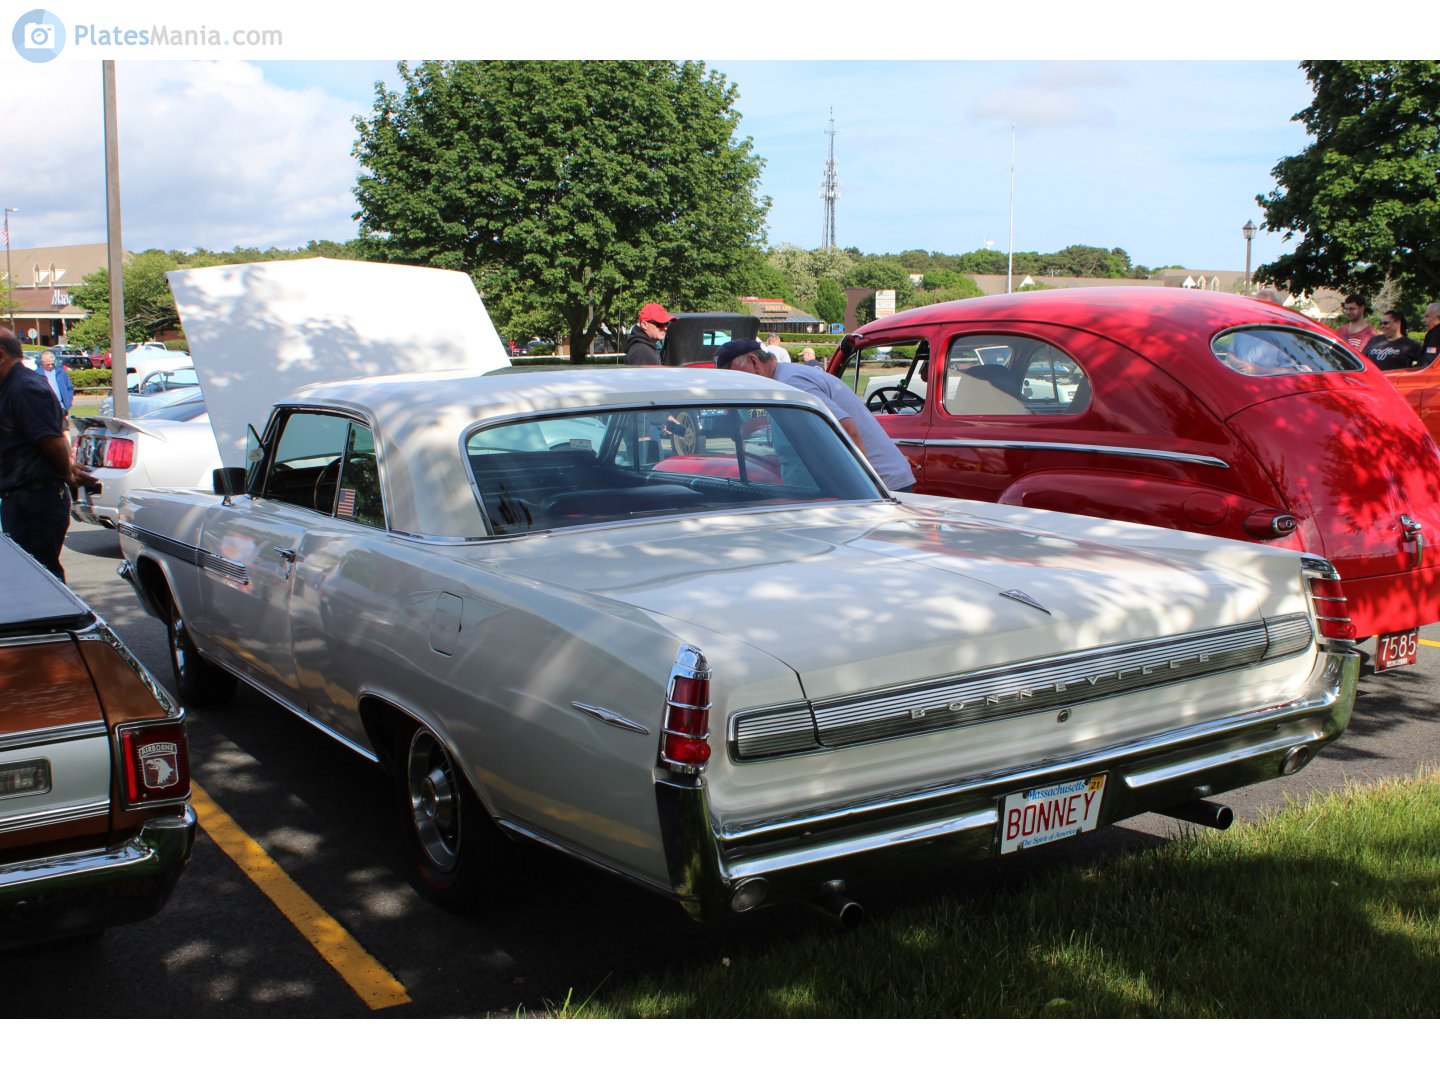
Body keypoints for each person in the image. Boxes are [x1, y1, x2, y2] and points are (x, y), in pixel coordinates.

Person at [713, 337, 916, 492]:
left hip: (880, 485)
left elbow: (846, 428)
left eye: (737, 376)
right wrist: (757, 423)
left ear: (754, 362)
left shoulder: (790, 383)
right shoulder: (784, 377)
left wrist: (864, 488)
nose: (738, 383)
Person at [0, 328, 95, 581]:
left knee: (39, 579)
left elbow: (51, 440)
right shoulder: (13, 386)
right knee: (30, 578)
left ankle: (64, 622)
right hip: (22, 497)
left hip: (35, 499)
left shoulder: (24, 387)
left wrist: (66, 470)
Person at [35, 350, 76, 418]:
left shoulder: (61, 372)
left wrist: (68, 404)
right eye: (48, 364)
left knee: (63, 428)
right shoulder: (36, 374)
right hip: (44, 410)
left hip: (61, 408)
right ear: (42, 363)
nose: (51, 366)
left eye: (53, 364)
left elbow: (70, 388)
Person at [1421, 303, 1440, 369]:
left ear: (1438, 317)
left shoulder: (1435, 334)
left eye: (1427, 316)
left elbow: (1428, 361)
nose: (1424, 320)